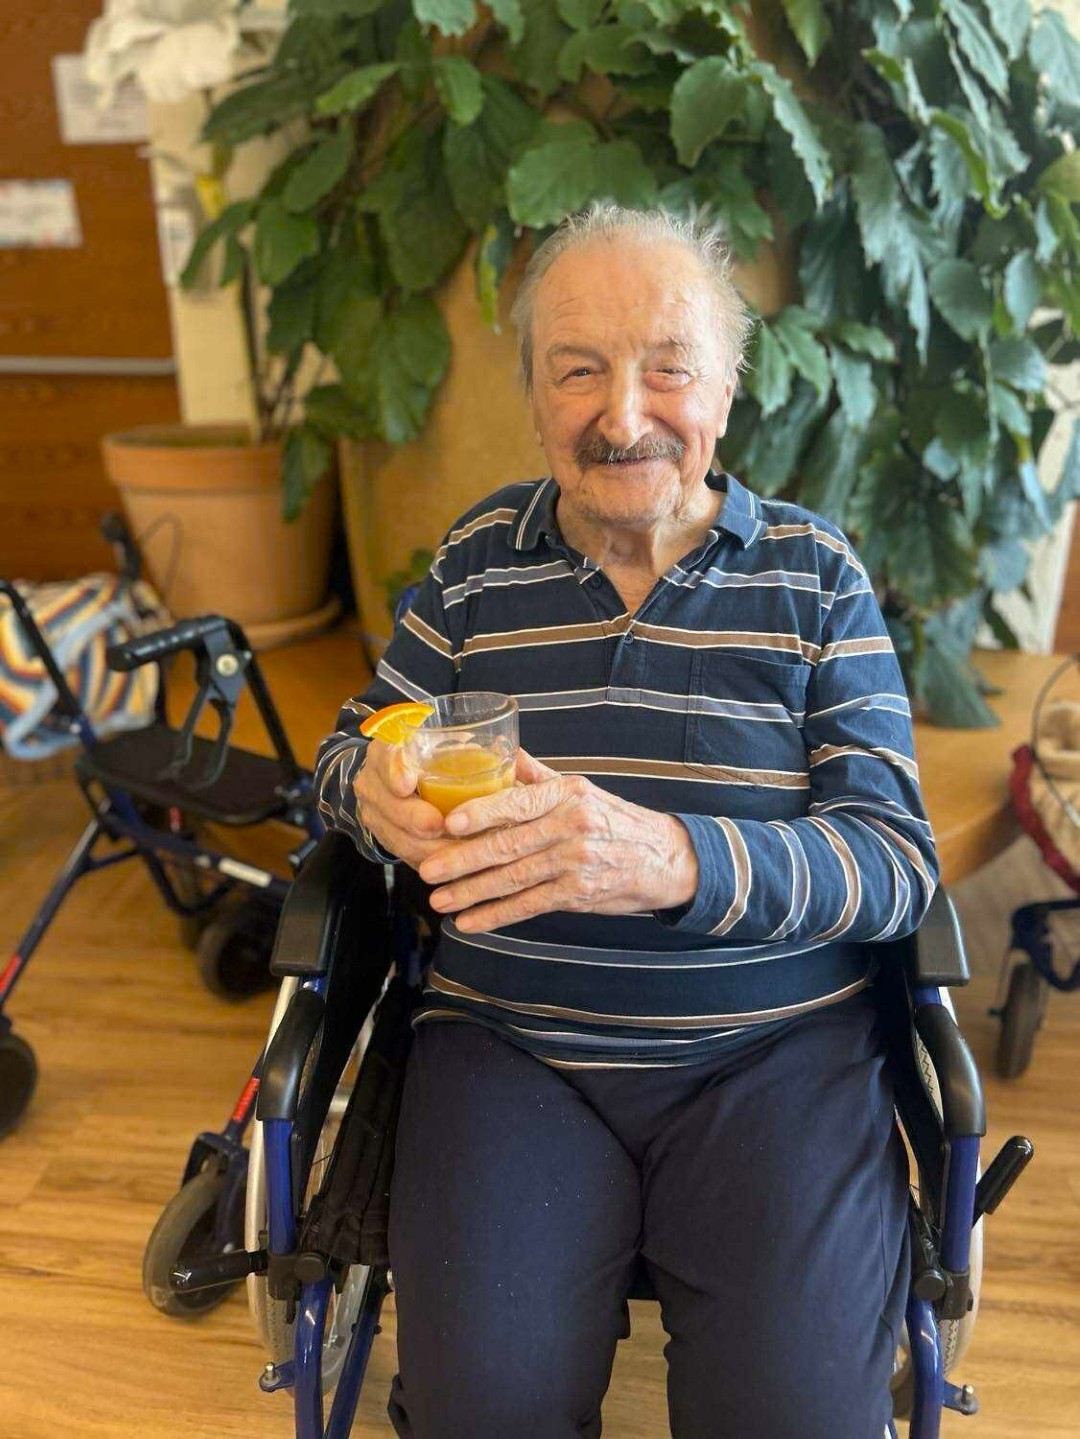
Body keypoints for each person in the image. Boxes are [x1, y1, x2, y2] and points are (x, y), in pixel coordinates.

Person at [314, 203, 940, 1439]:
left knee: (791, 1420)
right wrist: (370, 790)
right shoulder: (476, 565)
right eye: (577, 370)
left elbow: (894, 860)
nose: (623, 414)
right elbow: (349, 749)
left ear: (729, 387)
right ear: (532, 394)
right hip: (511, 1047)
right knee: (483, 1418)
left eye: (668, 367)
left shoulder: (815, 576)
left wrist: (673, 858)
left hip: (777, 1053)